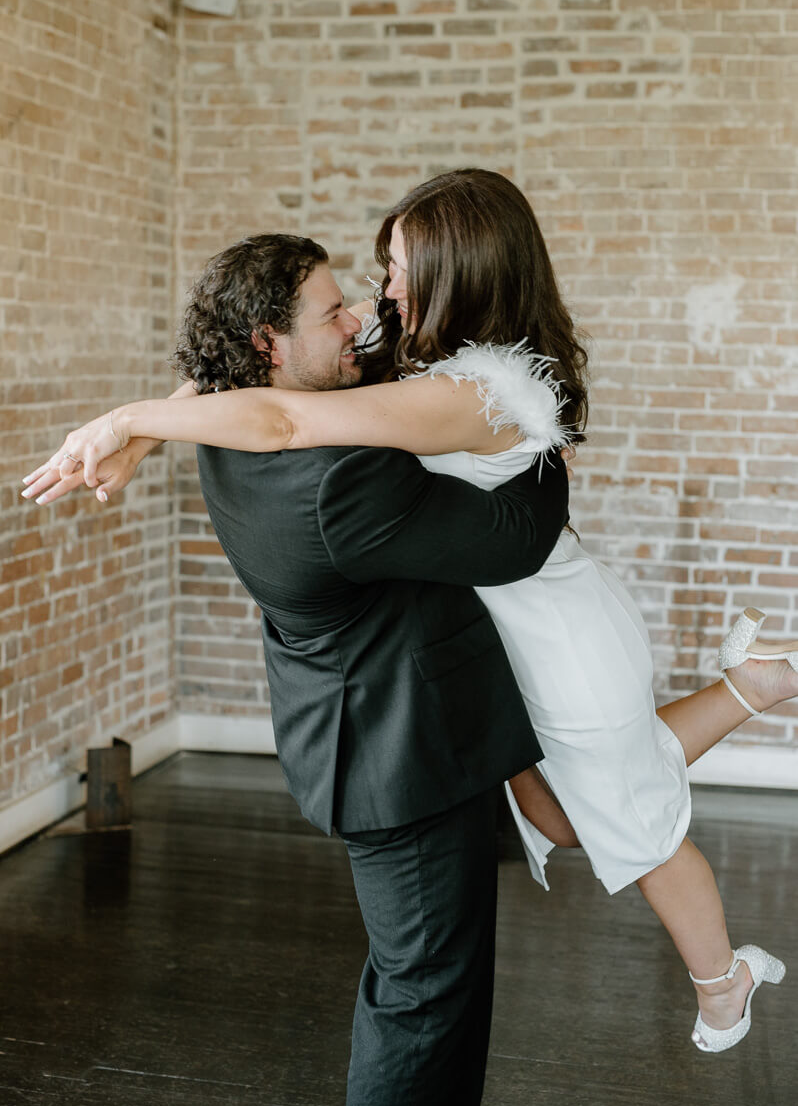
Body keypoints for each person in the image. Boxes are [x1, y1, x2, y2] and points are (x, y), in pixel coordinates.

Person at [24, 172, 795, 1060]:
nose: (376, 295)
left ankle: (719, 977)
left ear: (457, 272)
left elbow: (282, 417)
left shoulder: (474, 393)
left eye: (395, 270)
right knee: (555, 812)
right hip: (511, 626)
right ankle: (756, 684)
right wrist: (155, 433)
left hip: (558, 628)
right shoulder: (434, 351)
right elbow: (255, 374)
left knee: (638, 818)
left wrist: (120, 420)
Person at [25, 230, 571, 1106]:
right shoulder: (337, 482)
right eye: (332, 313)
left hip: (356, 724)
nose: (359, 319)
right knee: (425, 997)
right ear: (267, 346)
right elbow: (514, 541)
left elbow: (221, 392)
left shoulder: (229, 422)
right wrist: (544, 438)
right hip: (403, 754)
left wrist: (145, 423)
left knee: (419, 978)